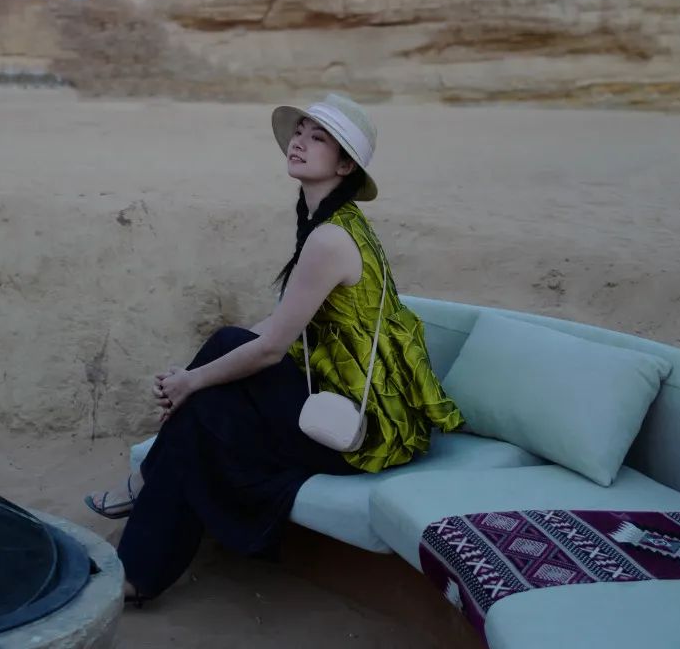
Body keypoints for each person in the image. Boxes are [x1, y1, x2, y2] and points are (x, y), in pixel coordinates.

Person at [84, 93, 464, 604]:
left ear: (345, 166)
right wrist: (198, 378)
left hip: (361, 430)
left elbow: (270, 349)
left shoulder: (330, 239)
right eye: (299, 132)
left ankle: (139, 544)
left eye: (318, 138)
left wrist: (192, 381)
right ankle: (139, 545)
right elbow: (276, 328)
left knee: (207, 405)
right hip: (338, 392)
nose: (299, 143)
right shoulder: (329, 222)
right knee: (224, 354)